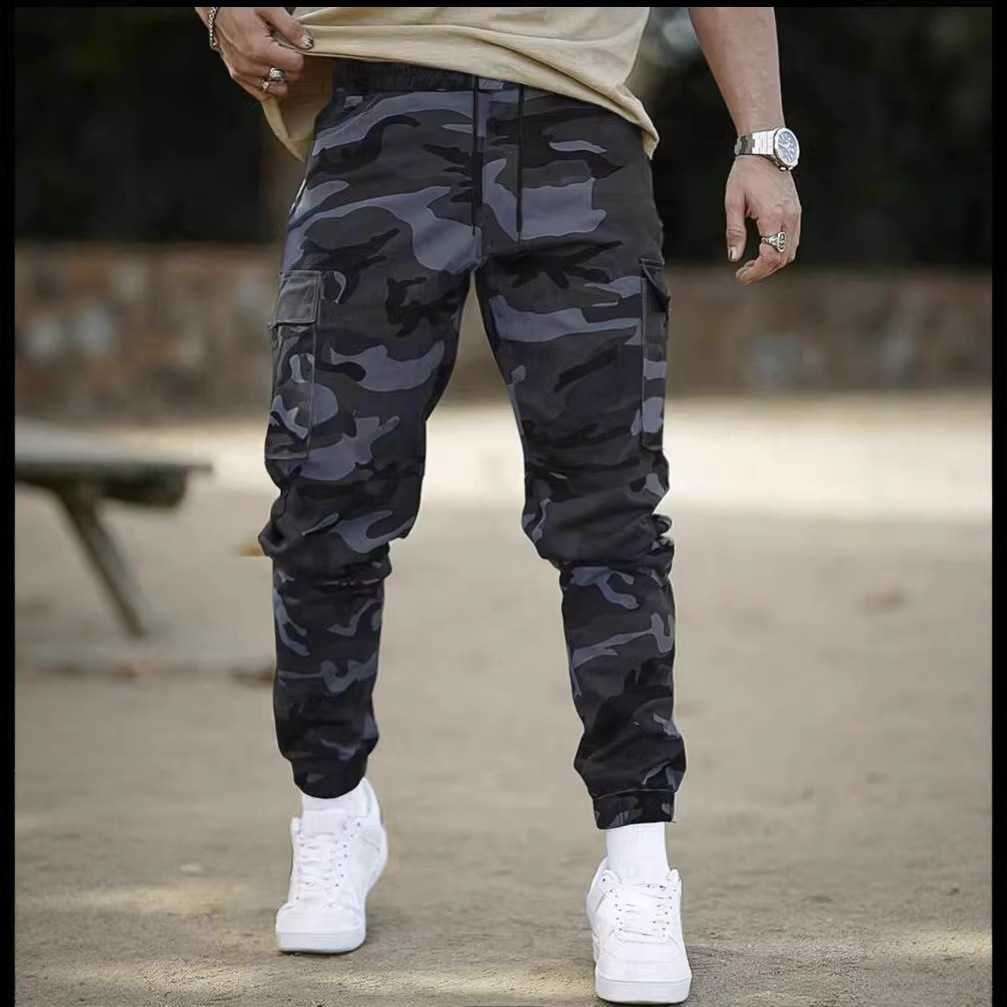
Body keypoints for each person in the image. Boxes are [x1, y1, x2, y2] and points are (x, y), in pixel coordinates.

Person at [195, 7, 801, 1003]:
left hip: (577, 124)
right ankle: (332, 810)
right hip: (376, 110)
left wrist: (763, 140)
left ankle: (637, 861)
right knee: (324, 493)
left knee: (610, 512)